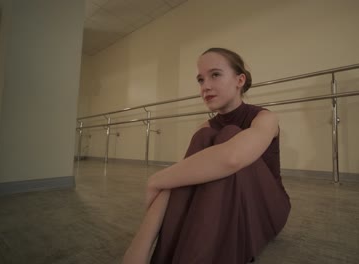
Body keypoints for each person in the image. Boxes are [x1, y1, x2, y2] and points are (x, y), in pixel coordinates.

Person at [122, 48, 291, 264]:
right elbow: (180, 180)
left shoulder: (265, 117)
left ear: (240, 80)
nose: (205, 86)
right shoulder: (205, 129)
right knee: (203, 140)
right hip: (229, 202)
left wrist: (155, 179)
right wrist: (141, 245)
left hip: (269, 208)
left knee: (230, 135)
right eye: (201, 80)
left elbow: (232, 157)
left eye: (215, 75)